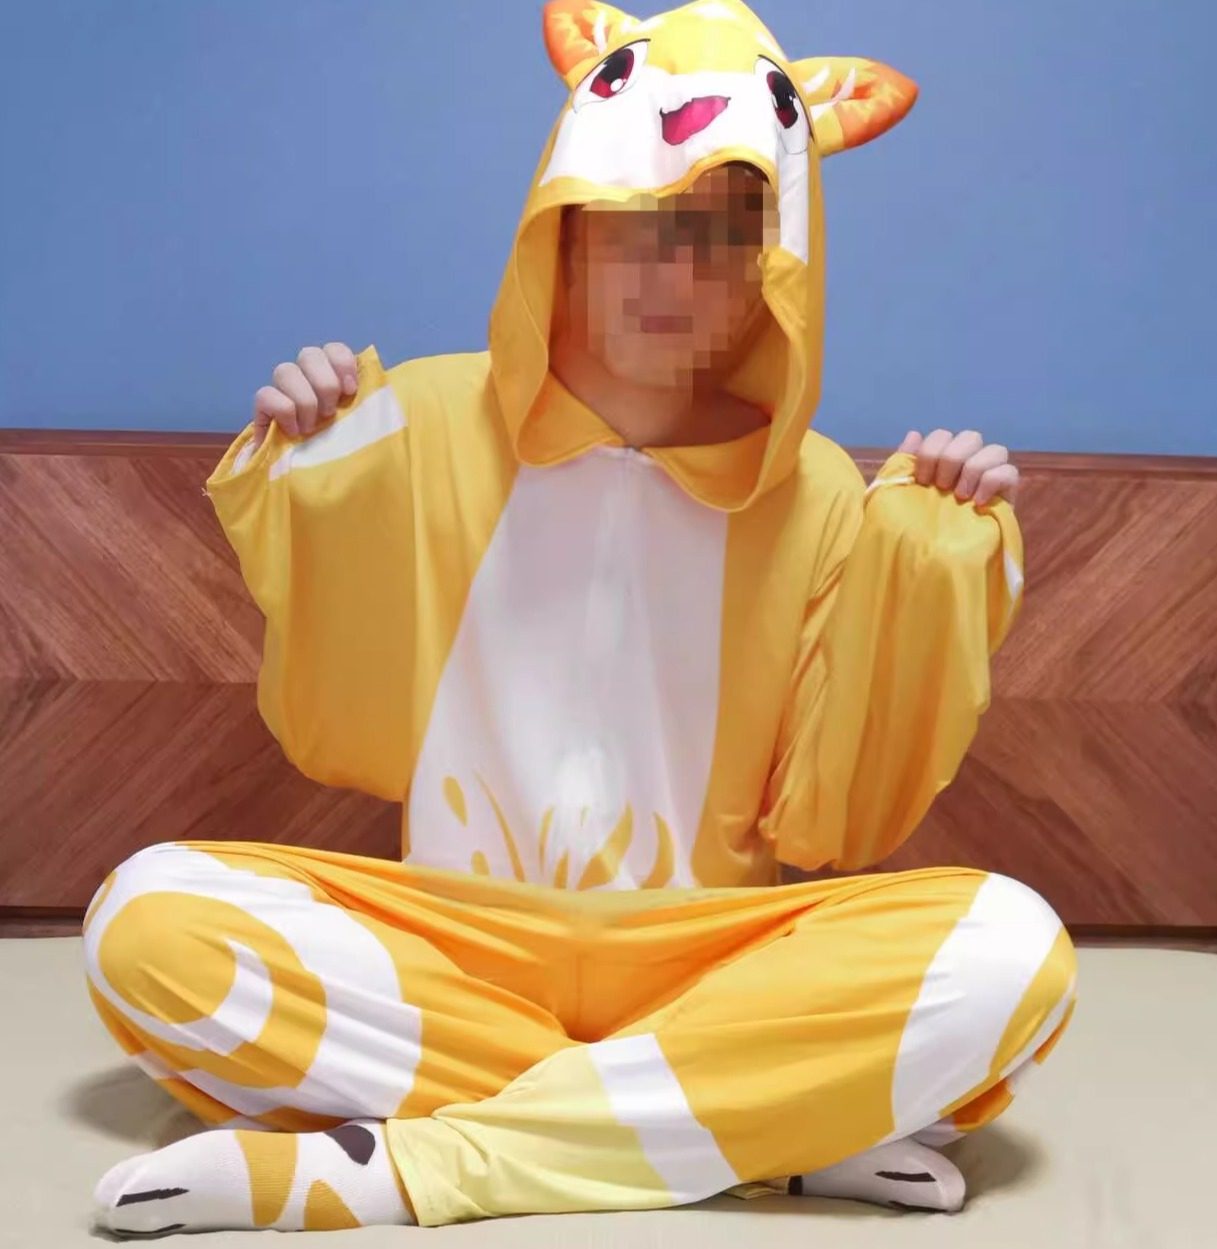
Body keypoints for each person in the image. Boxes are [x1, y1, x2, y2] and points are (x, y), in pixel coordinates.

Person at [84, 0, 1074, 1236]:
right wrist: (309, 450)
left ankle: (402, 1171)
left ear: (779, 268)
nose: (675, 277)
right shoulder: (419, 421)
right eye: (635, 228)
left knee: (1014, 950)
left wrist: (934, 559)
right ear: (565, 227)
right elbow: (340, 696)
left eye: (722, 240)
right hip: (448, 949)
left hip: (712, 958)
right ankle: (754, 1126)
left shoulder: (823, 493)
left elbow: (837, 815)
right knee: (143, 917)